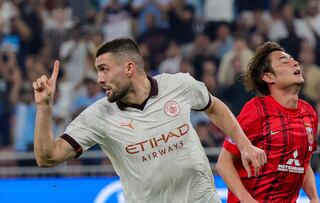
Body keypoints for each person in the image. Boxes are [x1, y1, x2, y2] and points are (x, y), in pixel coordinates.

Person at [32, 38, 267, 203]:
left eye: (104, 69)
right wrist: (44, 108)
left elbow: (214, 107)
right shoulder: (98, 116)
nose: (99, 78)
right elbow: (47, 157)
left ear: (129, 68)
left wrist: (244, 144)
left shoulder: (179, 85)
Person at [216, 42, 320, 203]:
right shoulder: (256, 110)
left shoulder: (309, 114)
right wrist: (246, 199)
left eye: (293, 59)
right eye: (284, 61)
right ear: (268, 77)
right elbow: (223, 163)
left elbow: (303, 164)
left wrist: (314, 197)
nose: (295, 62)